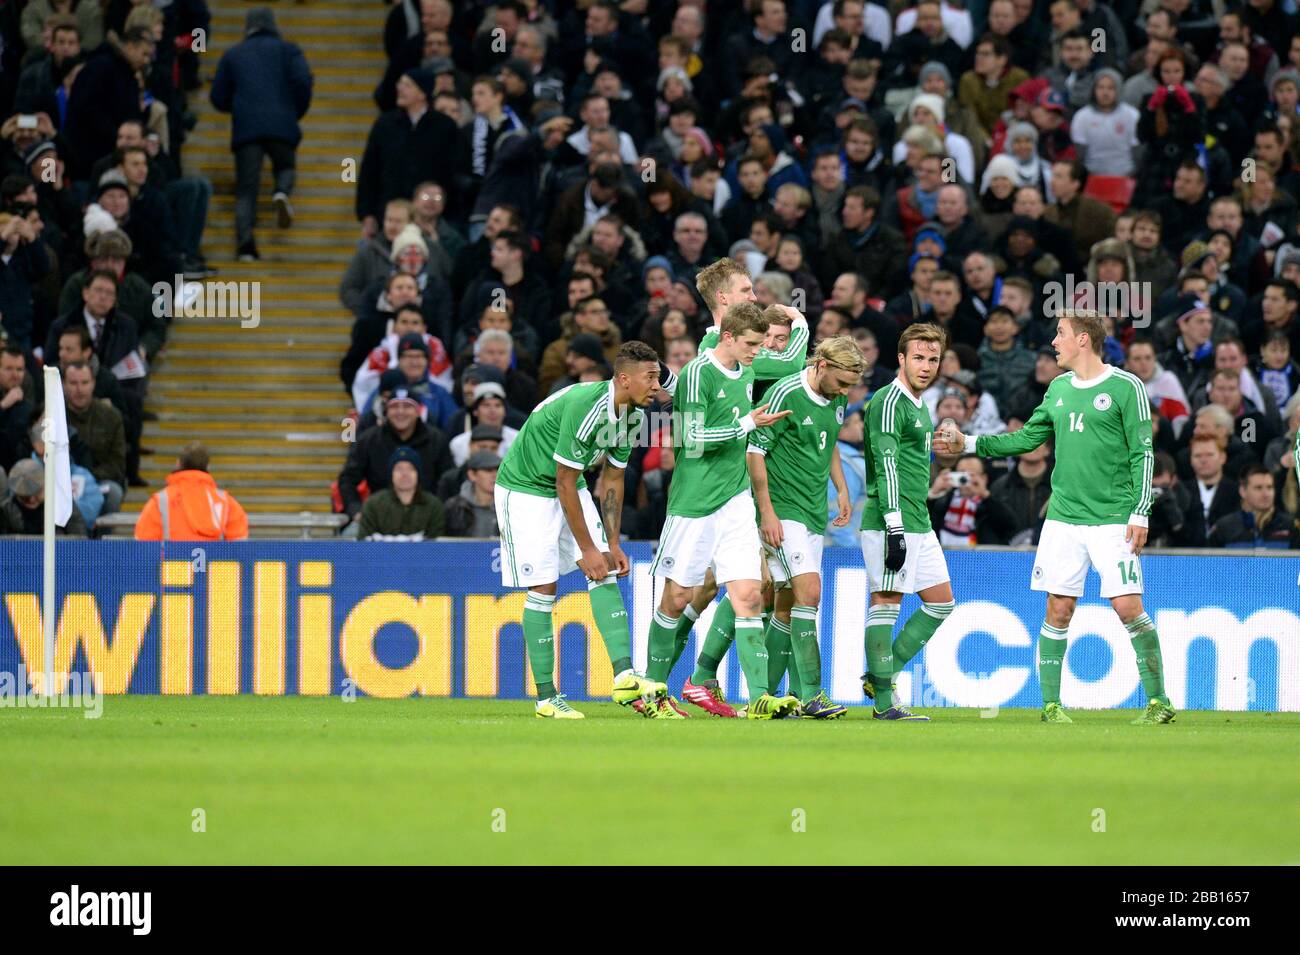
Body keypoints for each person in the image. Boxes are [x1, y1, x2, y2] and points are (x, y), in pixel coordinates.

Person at [937, 309, 1175, 725]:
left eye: (1060, 334)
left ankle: (1159, 702)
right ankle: (1050, 706)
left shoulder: (1126, 387)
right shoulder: (1058, 388)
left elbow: (1144, 453)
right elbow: (1028, 438)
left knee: (1128, 607)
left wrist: (1140, 513)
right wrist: (969, 443)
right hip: (1063, 518)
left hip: (1112, 517)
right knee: (1058, 609)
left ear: (1083, 339)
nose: (1053, 342)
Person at [493, 341, 667, 719]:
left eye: (657, 377)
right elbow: (564, 481)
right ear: (623, 379)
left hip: (568, 485)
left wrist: (612, 542)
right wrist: (587, 548)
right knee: (544, 587)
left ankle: (624, 677)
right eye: (649, 377)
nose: (657, 385)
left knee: (606, 566)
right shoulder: (589, 407)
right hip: (525, 488)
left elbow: (614, 478)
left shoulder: (634, 414)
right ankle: (545, 699)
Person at [646, 298, 798, 720]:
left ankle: (761, 696)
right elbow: (691, 438)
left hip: (734, 500)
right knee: (676, 598)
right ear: (727, 336)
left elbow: (793, 363)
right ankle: (653, 691)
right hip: (694, 502)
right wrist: (748, 423)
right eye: (751, 343)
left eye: (762, 344)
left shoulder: (748, 369)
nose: (757, 352)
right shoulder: (698, 372)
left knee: (750, 593)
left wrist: (799, 323)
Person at [745, 336, 864, 717]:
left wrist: (842, 488)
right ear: (822, 365)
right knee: (809, 592)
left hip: (814, 511)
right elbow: (754, 451)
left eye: (850, 386)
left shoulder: (838, 397)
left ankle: (766, 699)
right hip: (784, 509)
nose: (845, 393)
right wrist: (766, 512)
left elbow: (828, 442)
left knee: (787, 603)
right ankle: (811, 694)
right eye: (842, 383)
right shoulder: (786, 393)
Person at [858, 322, 956, 720]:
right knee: (886, 602)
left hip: (919, 519)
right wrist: (894, 525)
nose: (926, 366)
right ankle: (884, 702)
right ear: (901, 358)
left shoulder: (918, 404)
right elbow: (887, 465)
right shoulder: (888, 400)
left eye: (933, 359)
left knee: (941, 603)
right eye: (918, 357)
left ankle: (882, 673)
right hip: (890, 520)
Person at [209, 7, 313, 261]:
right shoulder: (290, 50)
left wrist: (236, 105)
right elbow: (303, 81)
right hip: (282, 123)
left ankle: (246, 246)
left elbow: (217, 96)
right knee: (285, 166)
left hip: (247, 128)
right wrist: (294, 110)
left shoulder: (233, 54)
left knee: (246, 189)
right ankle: (281, 192)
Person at [134, 441, 249, 541]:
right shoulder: (226, 503)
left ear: (178, 464)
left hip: (172, 565)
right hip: (211, 565)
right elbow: (239, 550)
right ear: (208, 467)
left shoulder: (159, 502)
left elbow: (144, 549)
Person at [355, 445, 445, 541]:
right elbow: (363, 543)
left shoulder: (433, 505)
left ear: (418, 474)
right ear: (391, 474)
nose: (405, 474)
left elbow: (436, 546)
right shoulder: (373, 504)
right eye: (399, 469)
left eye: (410, 468)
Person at [1208, 464, 1294, 548]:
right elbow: (1207, 560)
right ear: (1243, 491)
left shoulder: (1289, 526)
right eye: (1258, 488)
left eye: (1269, 487)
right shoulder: (1224, 527)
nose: (1266, 494)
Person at [0, 458, 88, 537]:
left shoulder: (62, 504)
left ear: (45, 484)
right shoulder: (8, 510)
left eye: (37, 492)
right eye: (25, 497)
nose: (32, 500)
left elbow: (79, 539)